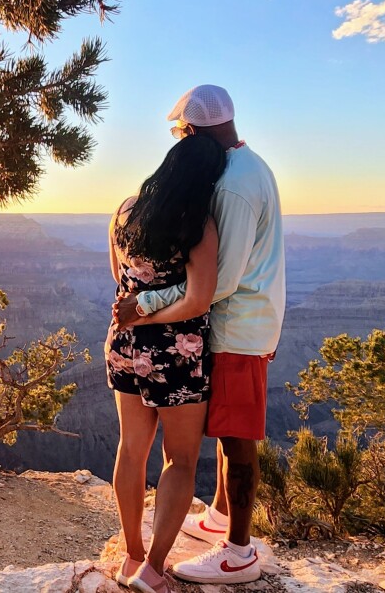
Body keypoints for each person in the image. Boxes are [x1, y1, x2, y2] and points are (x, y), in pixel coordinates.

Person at [114, 84, 285, 585]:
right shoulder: (245, 171)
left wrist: (141, 307)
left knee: (235, 439)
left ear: (192, 134)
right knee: (201, 443)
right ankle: (215, 517)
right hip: (198, 339)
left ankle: (237, 549)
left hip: (231, 327)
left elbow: (217, 285)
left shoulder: (226, 186)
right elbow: (203, 283)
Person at [104, 132, 228, 593]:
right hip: (177, 354)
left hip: (124, 344)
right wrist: (154, 312)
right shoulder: (198, 223)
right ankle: (153, 569)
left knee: (130, 450)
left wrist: (137, 311)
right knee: (179, 459)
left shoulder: (124, 210)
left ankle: (131, 555)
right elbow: (199, 300)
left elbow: (120, 277)